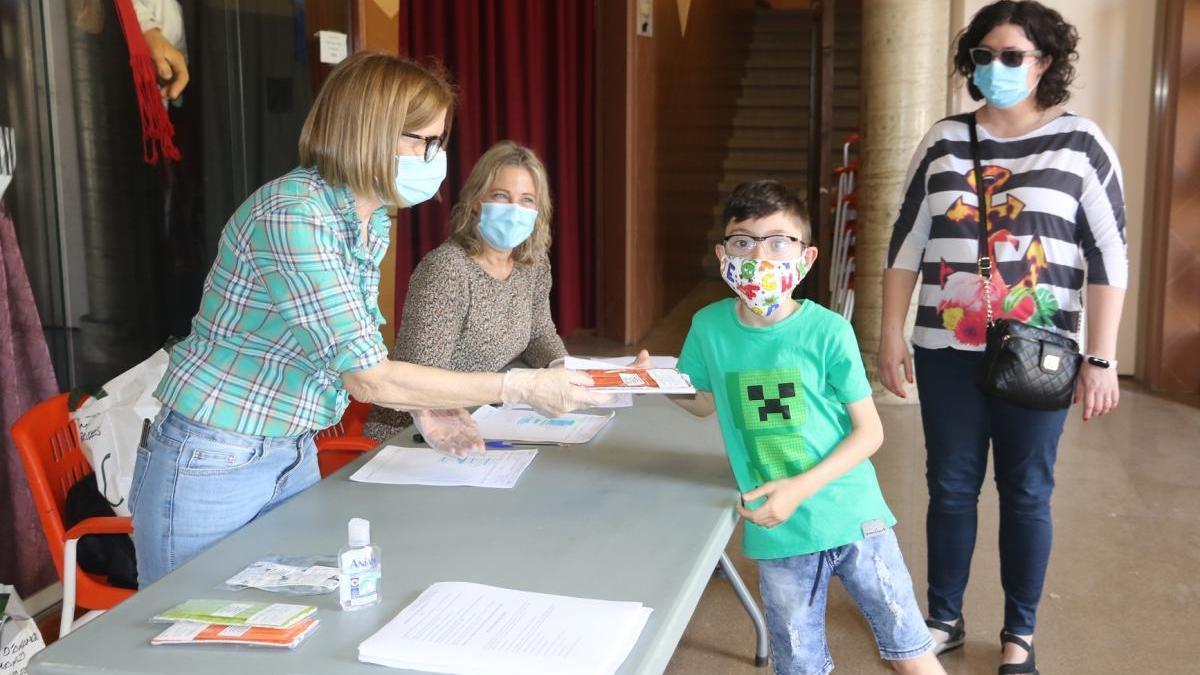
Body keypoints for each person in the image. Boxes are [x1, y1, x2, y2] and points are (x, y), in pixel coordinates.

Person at [128, 52, 607, 587]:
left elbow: (351, 344)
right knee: (185, 637)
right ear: (370, 134)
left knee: (283, 620)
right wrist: (519, 387)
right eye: (423, 142)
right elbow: (367, 376)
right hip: (215, 453)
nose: (434, 158)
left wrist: (429, 410)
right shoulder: (294, 214)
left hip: (292, 445)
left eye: (439, 142)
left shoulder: (368, 218)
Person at [877, 2, 1128, 672]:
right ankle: (943, 618)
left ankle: (1019, 631)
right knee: (950, 485)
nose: (996, 68)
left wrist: (1100, 357)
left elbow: (1109, 257)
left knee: (1026, 489)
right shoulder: (943, 139)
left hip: (1040, 351)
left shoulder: (1081, 143)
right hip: (945, 346)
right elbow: (906, 243)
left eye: (1012, 55)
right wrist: (890, 331)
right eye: (984, 56)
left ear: (1044, 61)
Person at [657, 180, 944, 675]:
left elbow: (869, 433)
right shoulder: (708, 326)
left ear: (806, 258)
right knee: (800, 665)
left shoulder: (828, 330)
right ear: (723, 253)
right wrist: (655, 381)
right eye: (743, 241)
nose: (758, 254)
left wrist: (798, 488)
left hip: (852, 515)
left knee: (909, 651)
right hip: (779, 529)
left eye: (777, 241)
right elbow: (704, 401)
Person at [363, 141, 566, 446]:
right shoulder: (446, 270)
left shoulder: (532, 264)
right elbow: (419, 378)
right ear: (475, 202)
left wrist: (563, 369)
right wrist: (513, 388)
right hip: (418, 435)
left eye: (526, 200)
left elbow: (538, 333)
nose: (514, 210)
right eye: (501, 196)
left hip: (485, 420)